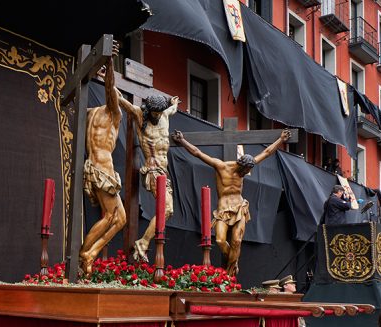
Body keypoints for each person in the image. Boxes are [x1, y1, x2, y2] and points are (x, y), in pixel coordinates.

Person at [172, 128, 291, 276]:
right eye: (245, 170)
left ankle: (229, 274)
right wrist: (182, 141)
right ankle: (233, 262)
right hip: (223, 209)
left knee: (237, 241)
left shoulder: (247, 166)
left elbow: (266, 153)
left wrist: (281, 140)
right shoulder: (221, 166)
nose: (246, 174)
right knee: (221, 240)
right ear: (240, 165)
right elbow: (197, 153)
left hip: (240, 207)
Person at [78, 53, 128, 274]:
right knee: (112, 217)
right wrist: (109, 62)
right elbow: (110, 88)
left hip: (92, 167)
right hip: (103, 169)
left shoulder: (90, 114)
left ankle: (92, 251)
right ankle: (86, 252)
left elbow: (109, 90)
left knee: (121, 219)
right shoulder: (112, 114)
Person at [120, 94, 179, 263]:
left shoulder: (165, 115)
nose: (158, 115)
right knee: (167, 209)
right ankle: (143, 242)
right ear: (149, 110)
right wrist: (107, 78)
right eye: (155, 113)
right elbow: (122, 101)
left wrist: (174, 103)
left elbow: (172, 108)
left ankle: (143, 242)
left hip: (164, 172)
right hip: (152, 170)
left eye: (160, 112)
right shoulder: (139, 115)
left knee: (169, 210)